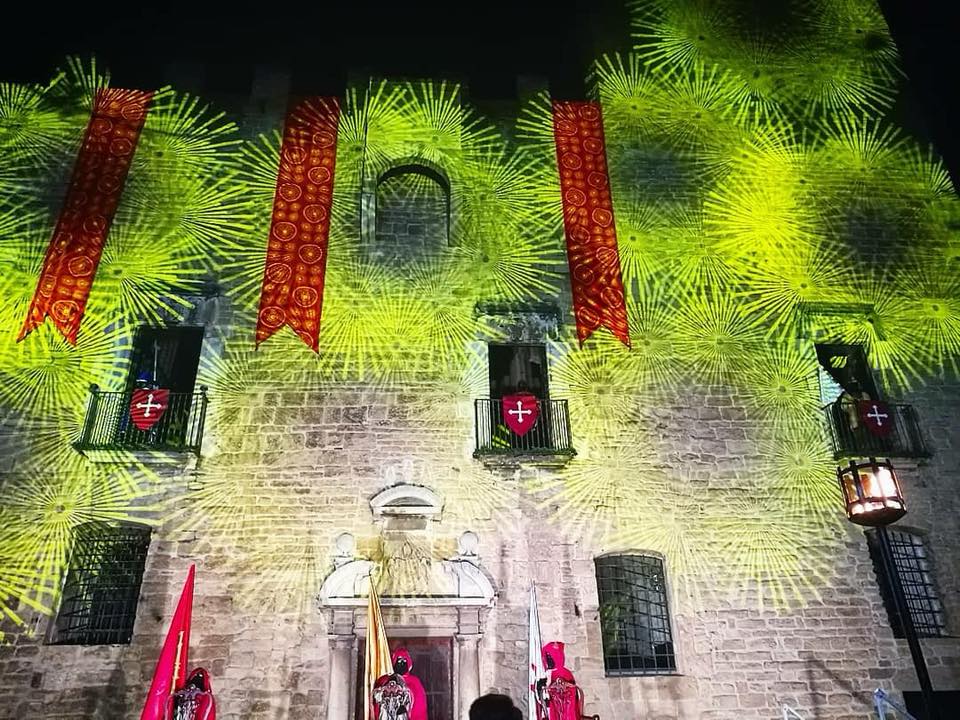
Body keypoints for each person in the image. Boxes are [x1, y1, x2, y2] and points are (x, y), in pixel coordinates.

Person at [392, 648, 427, 720]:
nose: (402, 663)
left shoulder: (415, 681)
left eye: (404, 661)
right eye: (399, 660)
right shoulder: (388, 680)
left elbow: (420, 704)